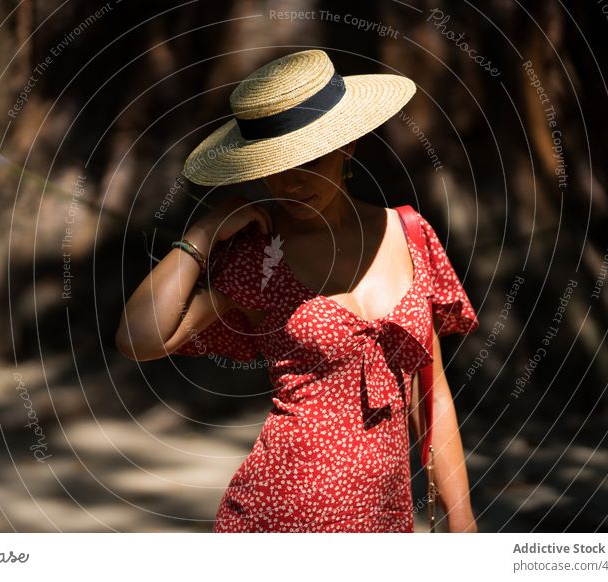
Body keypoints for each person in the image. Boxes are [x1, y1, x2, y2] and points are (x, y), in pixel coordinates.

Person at [116, 49, 480, 532]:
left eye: (308, 158)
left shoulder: (411, 234)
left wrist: (463, 521)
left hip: (383, 524)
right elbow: (140, 338)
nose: (290, 182)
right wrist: (203, 234)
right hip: (276, 517)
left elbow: (430, 392)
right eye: (273, 165)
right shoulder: (261, 255)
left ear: (347, 146)